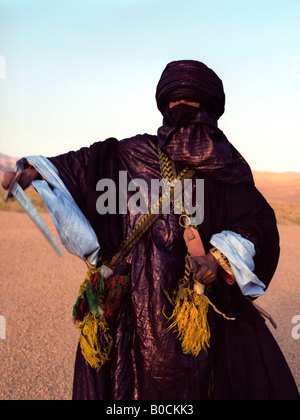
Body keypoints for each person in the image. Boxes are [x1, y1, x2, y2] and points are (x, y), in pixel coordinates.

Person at [3, 60, 299, 400]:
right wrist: (34, 173)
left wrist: (218, 259)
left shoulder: (212, 164)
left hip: (192, 305)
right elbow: (79, 167)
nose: (181, 110)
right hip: (146, 301)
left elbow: (254, 223)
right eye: (176, 101)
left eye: (187, 102)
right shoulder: (138, 153)